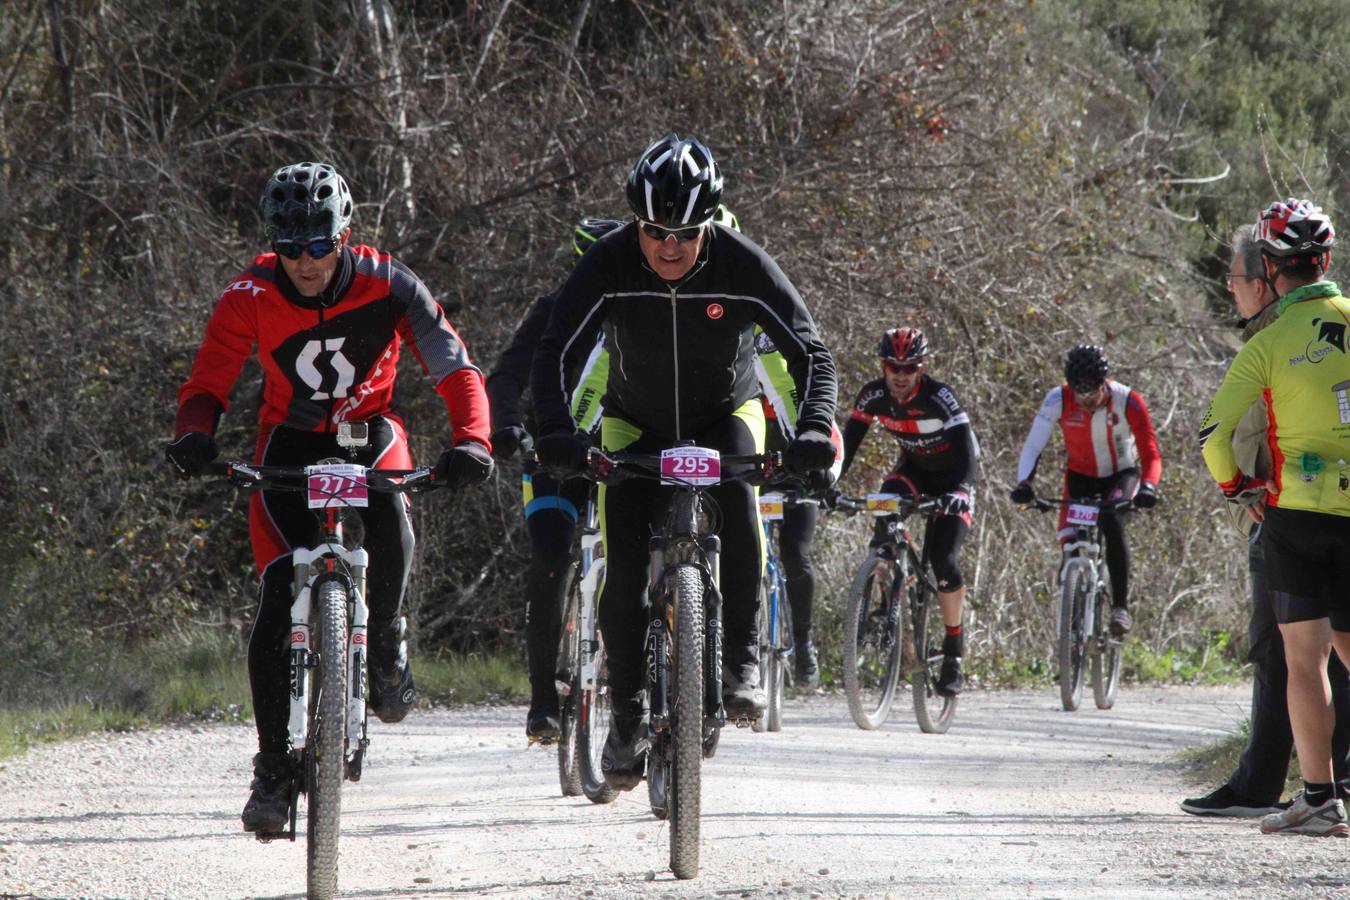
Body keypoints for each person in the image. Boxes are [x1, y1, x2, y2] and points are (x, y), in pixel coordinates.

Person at [165, 161, 494, 835]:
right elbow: (207, 383)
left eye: (319, 243)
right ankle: (271, 769)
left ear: (344, 234)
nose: (306, 260)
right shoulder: (248, 295)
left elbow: (454, 365)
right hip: (287, 443)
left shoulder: (391, 283)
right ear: (272, 243)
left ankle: (390, 636)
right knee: (282, 586)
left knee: (396, 515)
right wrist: (196, 434)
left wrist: (473, 442)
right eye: (290, 246)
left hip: (367, 435)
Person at [529, 133, 838, 791]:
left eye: (686, 232)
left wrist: (813, 429)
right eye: (654, 231)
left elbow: (813, 353)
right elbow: (553, 347)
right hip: (633, 422)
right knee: (623, 564)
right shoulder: (610, 262)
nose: (669, 246)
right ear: (635, 223)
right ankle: (628, 716)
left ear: (709, 224)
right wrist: (556, 430)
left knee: (743, 510)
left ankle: (741, 666)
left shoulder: (743, 263)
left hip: (723, 414)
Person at [1182, 224, 1350, 818]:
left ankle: (1320, 799)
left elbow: (1211, 435)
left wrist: (1236, 486)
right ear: (1326, 259)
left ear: (1271, 273)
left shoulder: (1269, 341)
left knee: (1303, 663)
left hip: (1295, 515)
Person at [486, 216, 624, 741]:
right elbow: (505, 374)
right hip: (554, 456)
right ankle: (543, 695)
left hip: (622, 457)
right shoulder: (551, 310)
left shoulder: (644, 310)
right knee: (550, 555)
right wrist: (508, 427)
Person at [834, 327, 978, 696]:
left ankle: (953, 652)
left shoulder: (940, 396)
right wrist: (828, 484)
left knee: (944, 558)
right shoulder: (873, 395)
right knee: (885, 507)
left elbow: (967, 451)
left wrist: (961, 490)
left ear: (921, 368)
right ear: (883, 367)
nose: (900, 375)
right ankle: (887, 593)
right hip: (912, 472)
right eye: (892, 367)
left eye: (909, 367)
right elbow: (848, 445)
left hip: (952, 481)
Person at [1010, 344, 1161, 638]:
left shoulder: (1128, 401)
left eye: (1092, 394)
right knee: (1068, 540)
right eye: (1080, 395)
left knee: (1111, 523)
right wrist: (1024, 483)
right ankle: (1072, 614)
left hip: (1121, 475)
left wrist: (1149, 486)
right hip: (1080, 477)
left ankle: (1120, 607)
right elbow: (1033, 445)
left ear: (1105, 381)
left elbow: (1151, 454)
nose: (1086, 401)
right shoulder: (1058, 399)